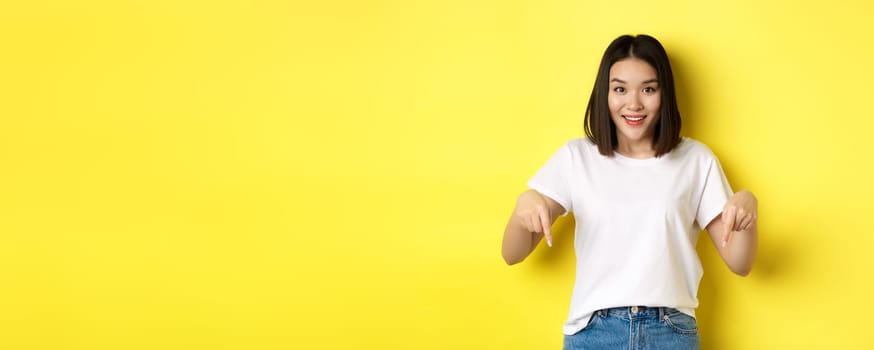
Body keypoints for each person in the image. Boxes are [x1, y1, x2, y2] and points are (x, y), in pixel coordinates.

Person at [501, 34, 758, 350]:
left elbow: (740, 263)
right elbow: (512, 254)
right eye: (620, 89)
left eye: (648, 89)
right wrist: (524, 204)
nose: (634, 103)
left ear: (664, 93)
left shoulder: (696, 160)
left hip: (670, 333)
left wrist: (747, 211)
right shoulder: (575, 158)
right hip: (593, 334)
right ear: (604, 94)